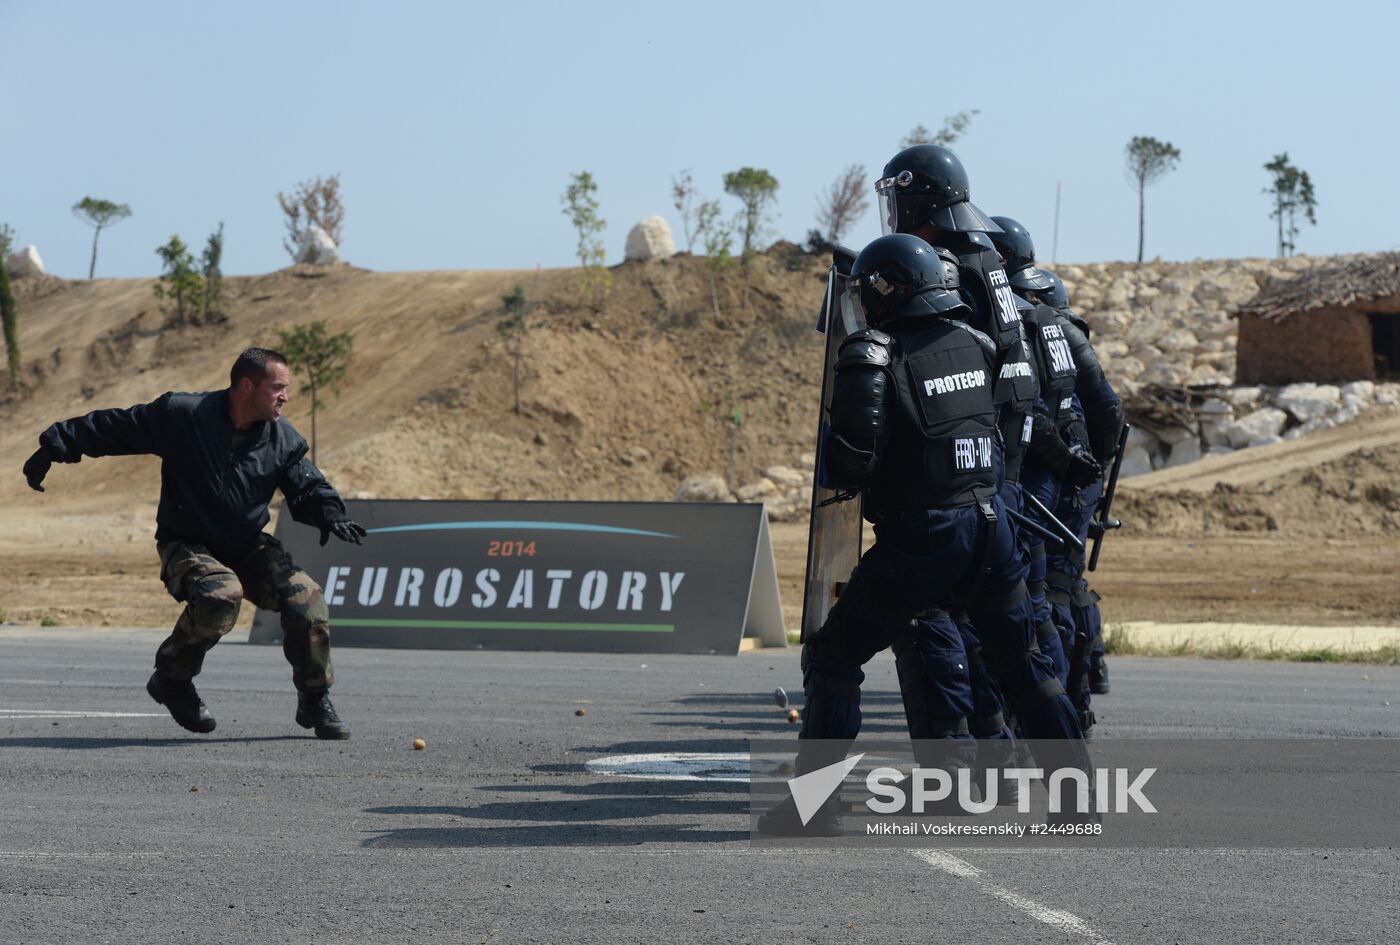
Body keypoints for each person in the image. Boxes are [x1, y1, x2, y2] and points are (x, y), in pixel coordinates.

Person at [758, 234, 1087, 836]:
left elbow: (852, 464)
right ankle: (1078, 804)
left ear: (886, 291)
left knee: (833, 658)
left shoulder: (871, 355)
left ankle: (813, 811)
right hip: (994, 526)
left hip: (925, 538)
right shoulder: (979, 343)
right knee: (1024, 664)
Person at [21, 347, 366, 739]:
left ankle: (314, 698)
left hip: (246, 545)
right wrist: (54, 445)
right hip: (185, 543)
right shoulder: (184, 416)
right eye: (277, 388)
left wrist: (329, 512)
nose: (285, 396)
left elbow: (308, 488)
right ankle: (172, 677)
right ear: (246, 386)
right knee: (222, 594)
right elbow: (115, 426)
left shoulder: (282, 439)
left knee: (308, 600)